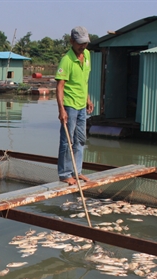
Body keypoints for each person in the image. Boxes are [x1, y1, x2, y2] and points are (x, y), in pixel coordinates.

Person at [56, 26, 94, 186]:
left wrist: (88, 99)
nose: (82, 46)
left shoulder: (86, 55)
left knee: (81, 140)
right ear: (72, 41)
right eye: (79, 43)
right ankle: (64, 174)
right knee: (67, 141)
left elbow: (83, 81)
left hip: (81, 105)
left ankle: (77, 172)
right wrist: (61, 109)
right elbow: (60, 86)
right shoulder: (67, 60)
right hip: (70, 106)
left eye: (85, 43)